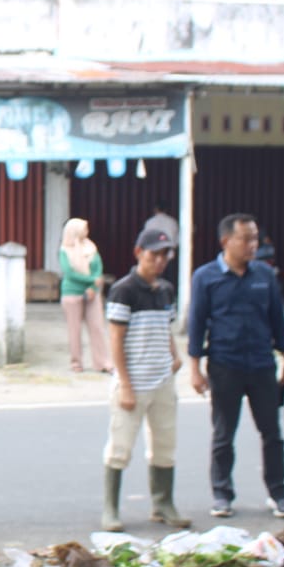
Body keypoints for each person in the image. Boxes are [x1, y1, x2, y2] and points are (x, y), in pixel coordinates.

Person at [188, 213, 284, 519]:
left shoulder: (265, 275)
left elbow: (278, 319)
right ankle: (222, 495)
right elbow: (197, 324)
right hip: (225, 365)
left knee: (272, 433)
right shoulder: (206, 277)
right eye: (246, 239)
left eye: (255, 238)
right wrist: (194, 368)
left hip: (262, 365)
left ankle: (279, 493)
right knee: (224, 434)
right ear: (226, 241)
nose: (253, 245)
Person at [101, 227, 188, 531]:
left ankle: (163, 503)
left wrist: (175, 355)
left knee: (165, 443)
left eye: (165, 256)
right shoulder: (124, 290)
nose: (160, 261)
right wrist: (124, 383)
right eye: (154, 255)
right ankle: (110, 509)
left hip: (162, 379)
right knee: (120, 446)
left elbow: (165, 328)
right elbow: (115, 339)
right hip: (133, 381)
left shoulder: (165, 290)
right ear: (139, 253)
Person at [60, 218, 111, 374]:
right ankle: (76, 362)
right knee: (74, 330)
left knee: (97, 327)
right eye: (84, 229)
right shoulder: (65, 250)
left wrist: (93, 287)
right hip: (72, 293)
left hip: (92, 294)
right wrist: (91, 280)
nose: (86, 232)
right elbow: (69, 273)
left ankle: (102, 362)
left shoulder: (91, 247)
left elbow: (98, 268)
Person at [144, 200, 181, 286]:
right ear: (166, 210)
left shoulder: (150, 222)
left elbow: (145, 242)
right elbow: (177, 242)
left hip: (151, 258)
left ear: (155, 209)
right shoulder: (172, 222)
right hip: (169, 257)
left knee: (152, 283)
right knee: (169, 283)